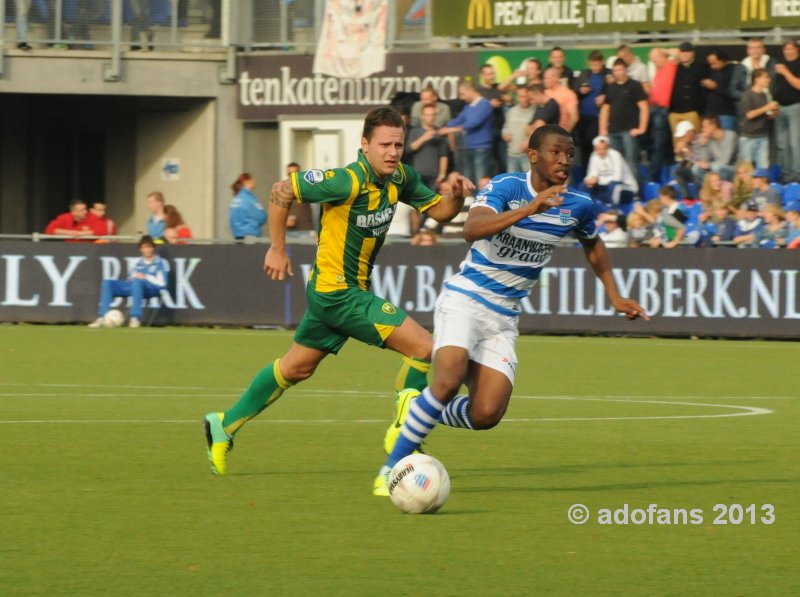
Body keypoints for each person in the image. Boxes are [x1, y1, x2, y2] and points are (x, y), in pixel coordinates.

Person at [373, 124, 648, 495]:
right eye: (555, 152)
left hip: (503, 317)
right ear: (533, 155)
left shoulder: (578, 206)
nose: (563, 160)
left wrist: (615, 295)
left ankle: (416, 406)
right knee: (448, 377)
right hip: (466, 300)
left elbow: (593, 245)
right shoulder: (507, 187)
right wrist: (530, 208)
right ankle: (391, 468)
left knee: (486, 414)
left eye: (569, 153)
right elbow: (472, 228)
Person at [203, 106, 474, 479]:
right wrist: (277, 247)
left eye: (398, 144)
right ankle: (401, 435)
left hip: (338, 293)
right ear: (364, 145)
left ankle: (223, 424)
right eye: (384, 144)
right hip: (338, 293)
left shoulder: (402, 178)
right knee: (423, 347)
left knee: (296, 367)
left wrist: (456, 196)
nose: (393, 151)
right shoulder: (344, 180)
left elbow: (442, 213)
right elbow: (281, 191)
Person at [88, 235, 168, 328]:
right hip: (135, 286)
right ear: (140, 249)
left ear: (153, 248)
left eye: (149, 247)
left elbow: (163, 284)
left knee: (137, 282)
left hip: (152, 289)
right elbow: (130, 278)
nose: (147, 250)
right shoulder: (138, 263)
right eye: (144, 247)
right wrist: (134, 278)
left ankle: (134, 318)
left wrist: (145, 277)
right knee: (108, 283)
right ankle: (102, 317)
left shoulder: (160, 262)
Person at [599, 58, 649, 186]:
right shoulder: (610, 88)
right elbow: (605, 109)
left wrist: (642, 128)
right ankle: (622, 190)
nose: (618, 72)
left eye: (620, 69)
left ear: (625, 70)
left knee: (632, 162)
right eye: (615, 70)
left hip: (629, 130)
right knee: (616, 162)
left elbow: (644, 107)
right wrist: (603, 129)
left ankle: (636, 191)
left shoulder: (635, 86)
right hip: (613, 130)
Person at [439, 81, 494, 184]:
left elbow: (473, 123)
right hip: (468, 147)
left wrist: (451, 129)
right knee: (469, 180)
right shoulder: (468, 107)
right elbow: (459, 119)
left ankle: (481, 200)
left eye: (462, 94)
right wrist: (443, 128)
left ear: (470, 91)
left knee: (480, 179)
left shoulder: (485, 104)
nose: (461, 98)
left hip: (481, 147)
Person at [580, 135, 638, 212]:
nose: (601, 151)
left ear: (608, 147)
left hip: (626, 187)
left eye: (603, 149)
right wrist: (589, 180)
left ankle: (614, 211)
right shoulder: (594, 155)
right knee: (583, 185)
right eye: (598, 149)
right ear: (594, 148)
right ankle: (589, 210)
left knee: (614, 186)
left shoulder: (616, 155)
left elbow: (617, 178)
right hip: (605, 187)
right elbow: (592, 173)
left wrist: (597, 179)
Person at [573, 50, 610, 169]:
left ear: (601, 62)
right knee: (585, 147)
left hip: (599, 117)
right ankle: (586, 175)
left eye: (596, 64)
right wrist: (580, 90)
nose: (593, 67)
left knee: (598, 147)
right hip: (583, 116)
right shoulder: (584, 74)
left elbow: (615, 91)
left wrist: (605, 96)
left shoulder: (608, 74)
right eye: (591, 64)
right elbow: (574, 89)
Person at [646, 48, 677, 182]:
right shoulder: (658, 71)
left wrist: (663, 50)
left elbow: (677, 53)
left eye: (656, 59)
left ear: (663, 56)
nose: (655, 62)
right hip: (655, 108)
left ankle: (652, 177)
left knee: (659, 145)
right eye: (653, 60)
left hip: (665, 109)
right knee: (657, 143)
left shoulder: (671, 65)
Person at [738, 69, 778, 169]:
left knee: (763, 168)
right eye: (766, 77)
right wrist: (767, 107)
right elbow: (749, 115)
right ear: (757, 79)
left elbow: (765, 115)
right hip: (748, 136)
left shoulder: (765, 95)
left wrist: (774, 112)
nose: (769, 80)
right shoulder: (747, 95)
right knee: (746, 168)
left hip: (763, 135)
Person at [669, 42, 707, 145]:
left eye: (687, 51)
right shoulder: (674, 67)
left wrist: (699, 111)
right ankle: (681, 160)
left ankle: (696, 160)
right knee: (678, 142)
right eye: (682, 52)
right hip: (675, 111)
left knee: (695, 141)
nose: (684, 54)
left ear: (693, 53)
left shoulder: (702, 67)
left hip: (693, 111)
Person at [773, 40, 800, 183]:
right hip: (780, 108)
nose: (788, 51)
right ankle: (785, 175)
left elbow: (798, 85)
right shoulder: (779, 64)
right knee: (782, 144)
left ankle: (797, 175)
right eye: (786, 49)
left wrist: (785, 72)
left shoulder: (792, 65)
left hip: (795, 107)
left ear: (797, 50)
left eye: (791, 49)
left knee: (795, 143)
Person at [405, 104, 449, 190]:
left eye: (433, 115)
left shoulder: (440, 132)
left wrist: (442, 174)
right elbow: (409, 149)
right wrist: (423, 138)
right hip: (418, 173)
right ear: (422, 116)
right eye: (428, 115)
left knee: (432, 201)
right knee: (417, 201)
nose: (431, 117)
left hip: (434, 175)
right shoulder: (415, 131)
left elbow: (444, 155)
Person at [701, 50, 740, 131]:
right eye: (710, 64)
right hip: (710, 113)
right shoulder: (710, 70)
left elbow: (735, 93)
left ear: (723, 61)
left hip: (726, 113)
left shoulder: (733, 71)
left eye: (714, 63)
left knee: (726, 138)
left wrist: (716, 87)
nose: (712, 66)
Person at [502, 86, 535, 172]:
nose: (523, 99)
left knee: (528, 183)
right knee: (513, 184)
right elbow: (505, 127)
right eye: (521, 96)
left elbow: (540, 133)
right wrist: (504, 134)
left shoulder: (535, 112)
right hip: (511, 154)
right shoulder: (512, 111)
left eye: (525, 96)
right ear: (517, 98)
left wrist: (529, 142)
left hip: (527, 156)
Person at [229, 173, 267, 240]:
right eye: (252, 179)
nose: (254, 181)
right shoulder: (249, 199)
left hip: (237, 234)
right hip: (250, 233)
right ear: (247, 181)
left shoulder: (237, 198)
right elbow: (261, 216)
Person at [284, 163, 316, 238]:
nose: (292, 176)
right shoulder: (282, 190)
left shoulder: (306, 188)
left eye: (295, 173)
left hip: (305, 230)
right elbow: (277, 210)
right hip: (288, 231)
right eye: (289, 173)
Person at [543, 67, 579, 132]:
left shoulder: (568, 94)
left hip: (560, 133)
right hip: (545, 134)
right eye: (544, 78)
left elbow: (574, 118)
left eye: (547, 78)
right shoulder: (544, 93)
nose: (544, 81)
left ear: (556, 78)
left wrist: (564, 134)